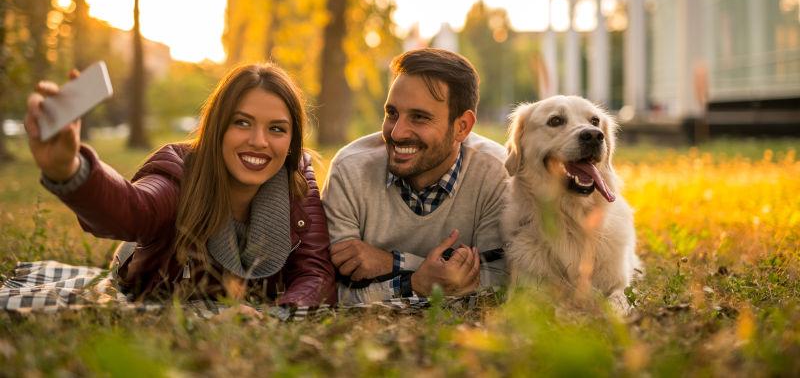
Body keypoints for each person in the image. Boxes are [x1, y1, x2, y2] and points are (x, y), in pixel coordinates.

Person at [24, 63, 336, 307]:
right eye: (242, 122)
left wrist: (279, 313)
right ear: (217, 127)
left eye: (277, 129)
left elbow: (315, 272)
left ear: (292, 141)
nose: (258, 141)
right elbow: (132, 210)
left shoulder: (297, 180)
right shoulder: (179, 169)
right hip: (148, 258)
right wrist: (69, 169)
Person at [322, 48, 508, 304]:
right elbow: (330, 292)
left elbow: (495, 286)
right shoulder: (349, 171)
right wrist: (415, 283)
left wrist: (392, 262)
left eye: (419, 117)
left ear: (462, 126)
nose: (397, 133)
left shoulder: (496, 172)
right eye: (392, 114)